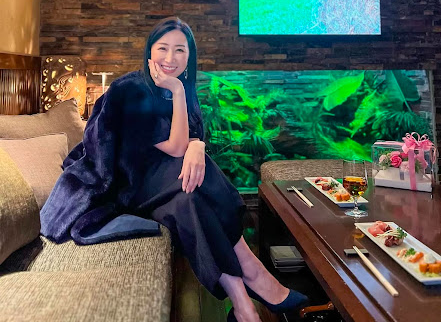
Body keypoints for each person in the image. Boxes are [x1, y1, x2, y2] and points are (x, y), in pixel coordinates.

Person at [40, 17, 308, 322]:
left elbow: (188, 139)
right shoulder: (132, 89)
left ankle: (243, 306)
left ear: (189, 55)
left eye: (180, 50)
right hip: (127, 184)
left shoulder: (183, 88)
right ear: (149, 52)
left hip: (165, 185)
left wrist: (197, 143)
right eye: (162, 48)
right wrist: (182, 107)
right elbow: (177, 148)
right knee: (199, 173)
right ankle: (254, 273)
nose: (170, 58)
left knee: (188, 200)